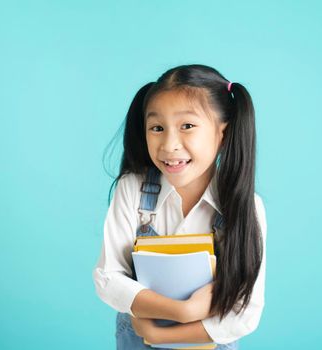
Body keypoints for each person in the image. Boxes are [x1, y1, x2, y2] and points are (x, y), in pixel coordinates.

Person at [93, 64, 267, 349]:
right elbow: (108, 277)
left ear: (223, 133)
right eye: (157, 128)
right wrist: (179, 310)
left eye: (187, 126)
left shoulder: (245, 207)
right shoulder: (132, 190)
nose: (169, 144)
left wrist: (163, 333)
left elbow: (244, 313)